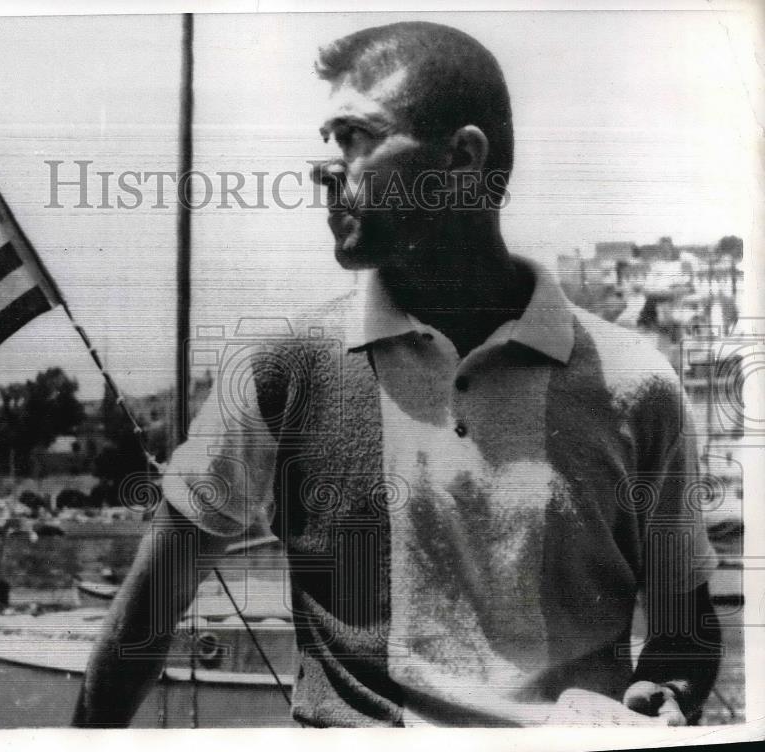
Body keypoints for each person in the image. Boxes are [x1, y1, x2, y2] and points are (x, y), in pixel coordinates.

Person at [72, 21, 721, 728]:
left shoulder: (635, 386)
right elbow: (148, 614)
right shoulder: (278, 370)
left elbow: (683, 626)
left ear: (461, 160)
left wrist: (669, 687)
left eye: (356, 137)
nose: (324, 169)